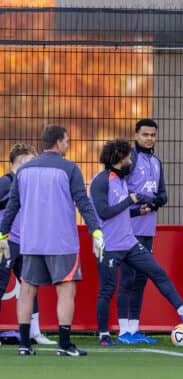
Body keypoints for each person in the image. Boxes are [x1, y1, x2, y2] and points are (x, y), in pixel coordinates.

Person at [89, 139, 183, 346]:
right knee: (107, 290)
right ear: (118, 158)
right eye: (127, 158)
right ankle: (104, 335)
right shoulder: (101, 181)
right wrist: (130, 200)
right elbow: (104, 213)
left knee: (157, 272)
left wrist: (137, 210)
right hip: (109, 246)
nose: (130, 162)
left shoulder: (121, 180)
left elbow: (121, 211)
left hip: (129, 243)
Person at [0, 125, 105, 356]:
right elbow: (82, 202)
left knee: (27, 290)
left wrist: (2, 234)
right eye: (67, 141)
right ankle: (65, 345)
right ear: (58, 142)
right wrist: (96, 231)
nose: (68, 145)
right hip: (61, 241)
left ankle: (25, 345)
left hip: (31, 241)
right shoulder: (69, 169)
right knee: (66, 290)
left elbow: (12, 207)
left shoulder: (24, 171)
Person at [117, 119, 168, 345]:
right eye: (145, 134)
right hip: (128, 230)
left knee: (141, 280)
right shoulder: (128, 160)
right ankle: (122, 330)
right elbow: (118, 191)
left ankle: (135, 329)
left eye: (153, 135)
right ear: (136, 135)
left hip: (147, 230)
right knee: (126, 279)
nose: (149, 138)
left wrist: (155, 203)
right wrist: (139, 205)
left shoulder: (156, 162)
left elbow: (163, 195)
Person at [0, 144, 55, 345]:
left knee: (30, 285)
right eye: (33, 160)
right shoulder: (7, 182)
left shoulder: (28, 184)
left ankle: (34, 332)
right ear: (22, 160)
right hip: (7, 243)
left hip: (27, 243)